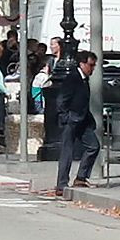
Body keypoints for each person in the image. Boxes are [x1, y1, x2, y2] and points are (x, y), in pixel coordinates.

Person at [47, 50, 99, 189]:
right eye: (91, 65)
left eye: (94, 65)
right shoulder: (73, 78)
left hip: (82, 120)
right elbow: (62, 99)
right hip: (71, 120)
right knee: (67, 152)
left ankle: (81, 177)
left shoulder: (84, 79)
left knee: (93, 146)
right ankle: (62, 184)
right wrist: (66, 117)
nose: (93, 68)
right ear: (82, 64)